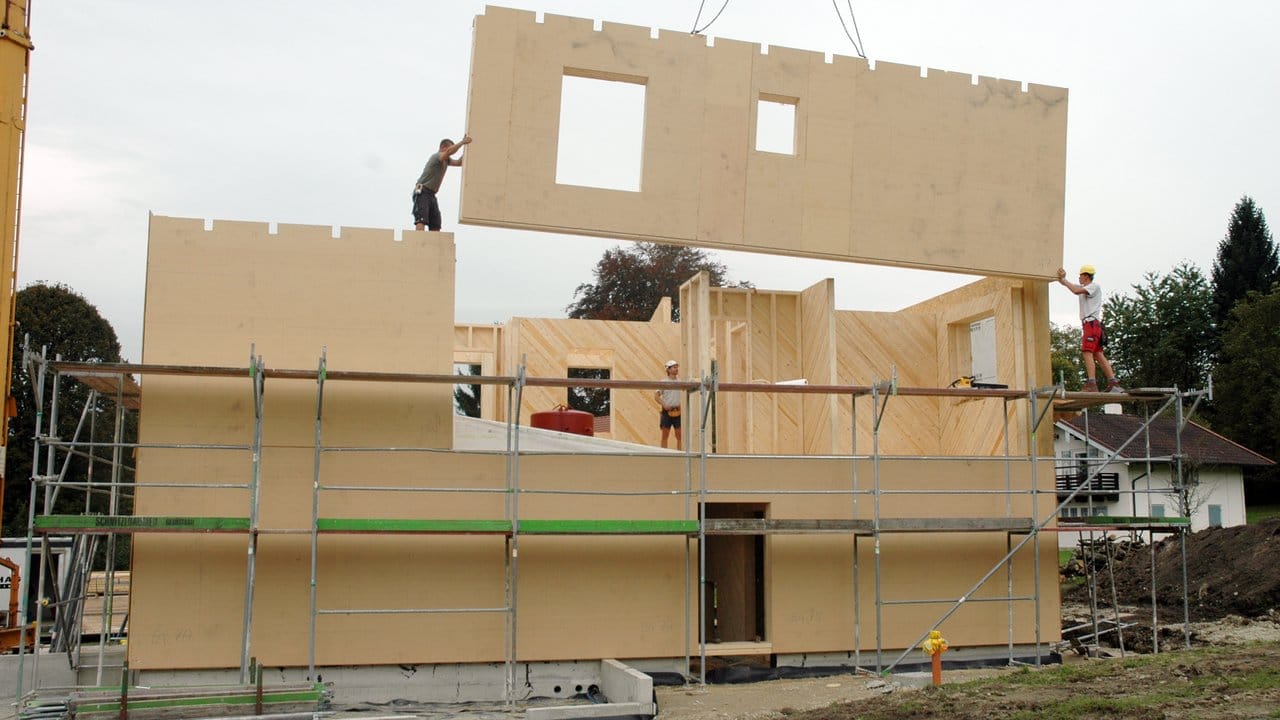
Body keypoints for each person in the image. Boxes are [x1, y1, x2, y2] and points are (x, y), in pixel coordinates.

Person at [1056, 264, 1122, 393]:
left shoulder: (1094, 286)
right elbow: (1071, 286)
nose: (1079, 278)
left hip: (1091, 324)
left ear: (1086, 276)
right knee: (1098, 354)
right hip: (1092, 325)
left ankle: (1092, 383)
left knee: (1087, 352)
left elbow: (1075, 290)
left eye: (1080, 275)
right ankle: (1113, 382)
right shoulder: (1084, 287)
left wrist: (1064, 280)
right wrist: (1061, 278)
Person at [412, 135, 472, 231]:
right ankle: (418, 241)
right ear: (443, 147)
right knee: (421, 219)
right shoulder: (437, 156)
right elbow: (448, 152)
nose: (451, 153)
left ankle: (433, 243)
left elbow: (459, 163)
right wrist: (462, 142)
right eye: (450, 148)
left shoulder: (446, 160)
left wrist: (467, 148)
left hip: (431, 194)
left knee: (436, 223)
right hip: (422, 191)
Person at [654, 359, 683, 450]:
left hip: (677, 411)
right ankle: (664, 454)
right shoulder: (663, 382)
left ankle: (680, 454)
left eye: (677, 367)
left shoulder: (680, 382)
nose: (676, 369)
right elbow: (656, 396)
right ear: (668, 369)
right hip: (667, 412)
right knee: (665, 435)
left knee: (679, 436)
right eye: (674, 367)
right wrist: (664, 404)